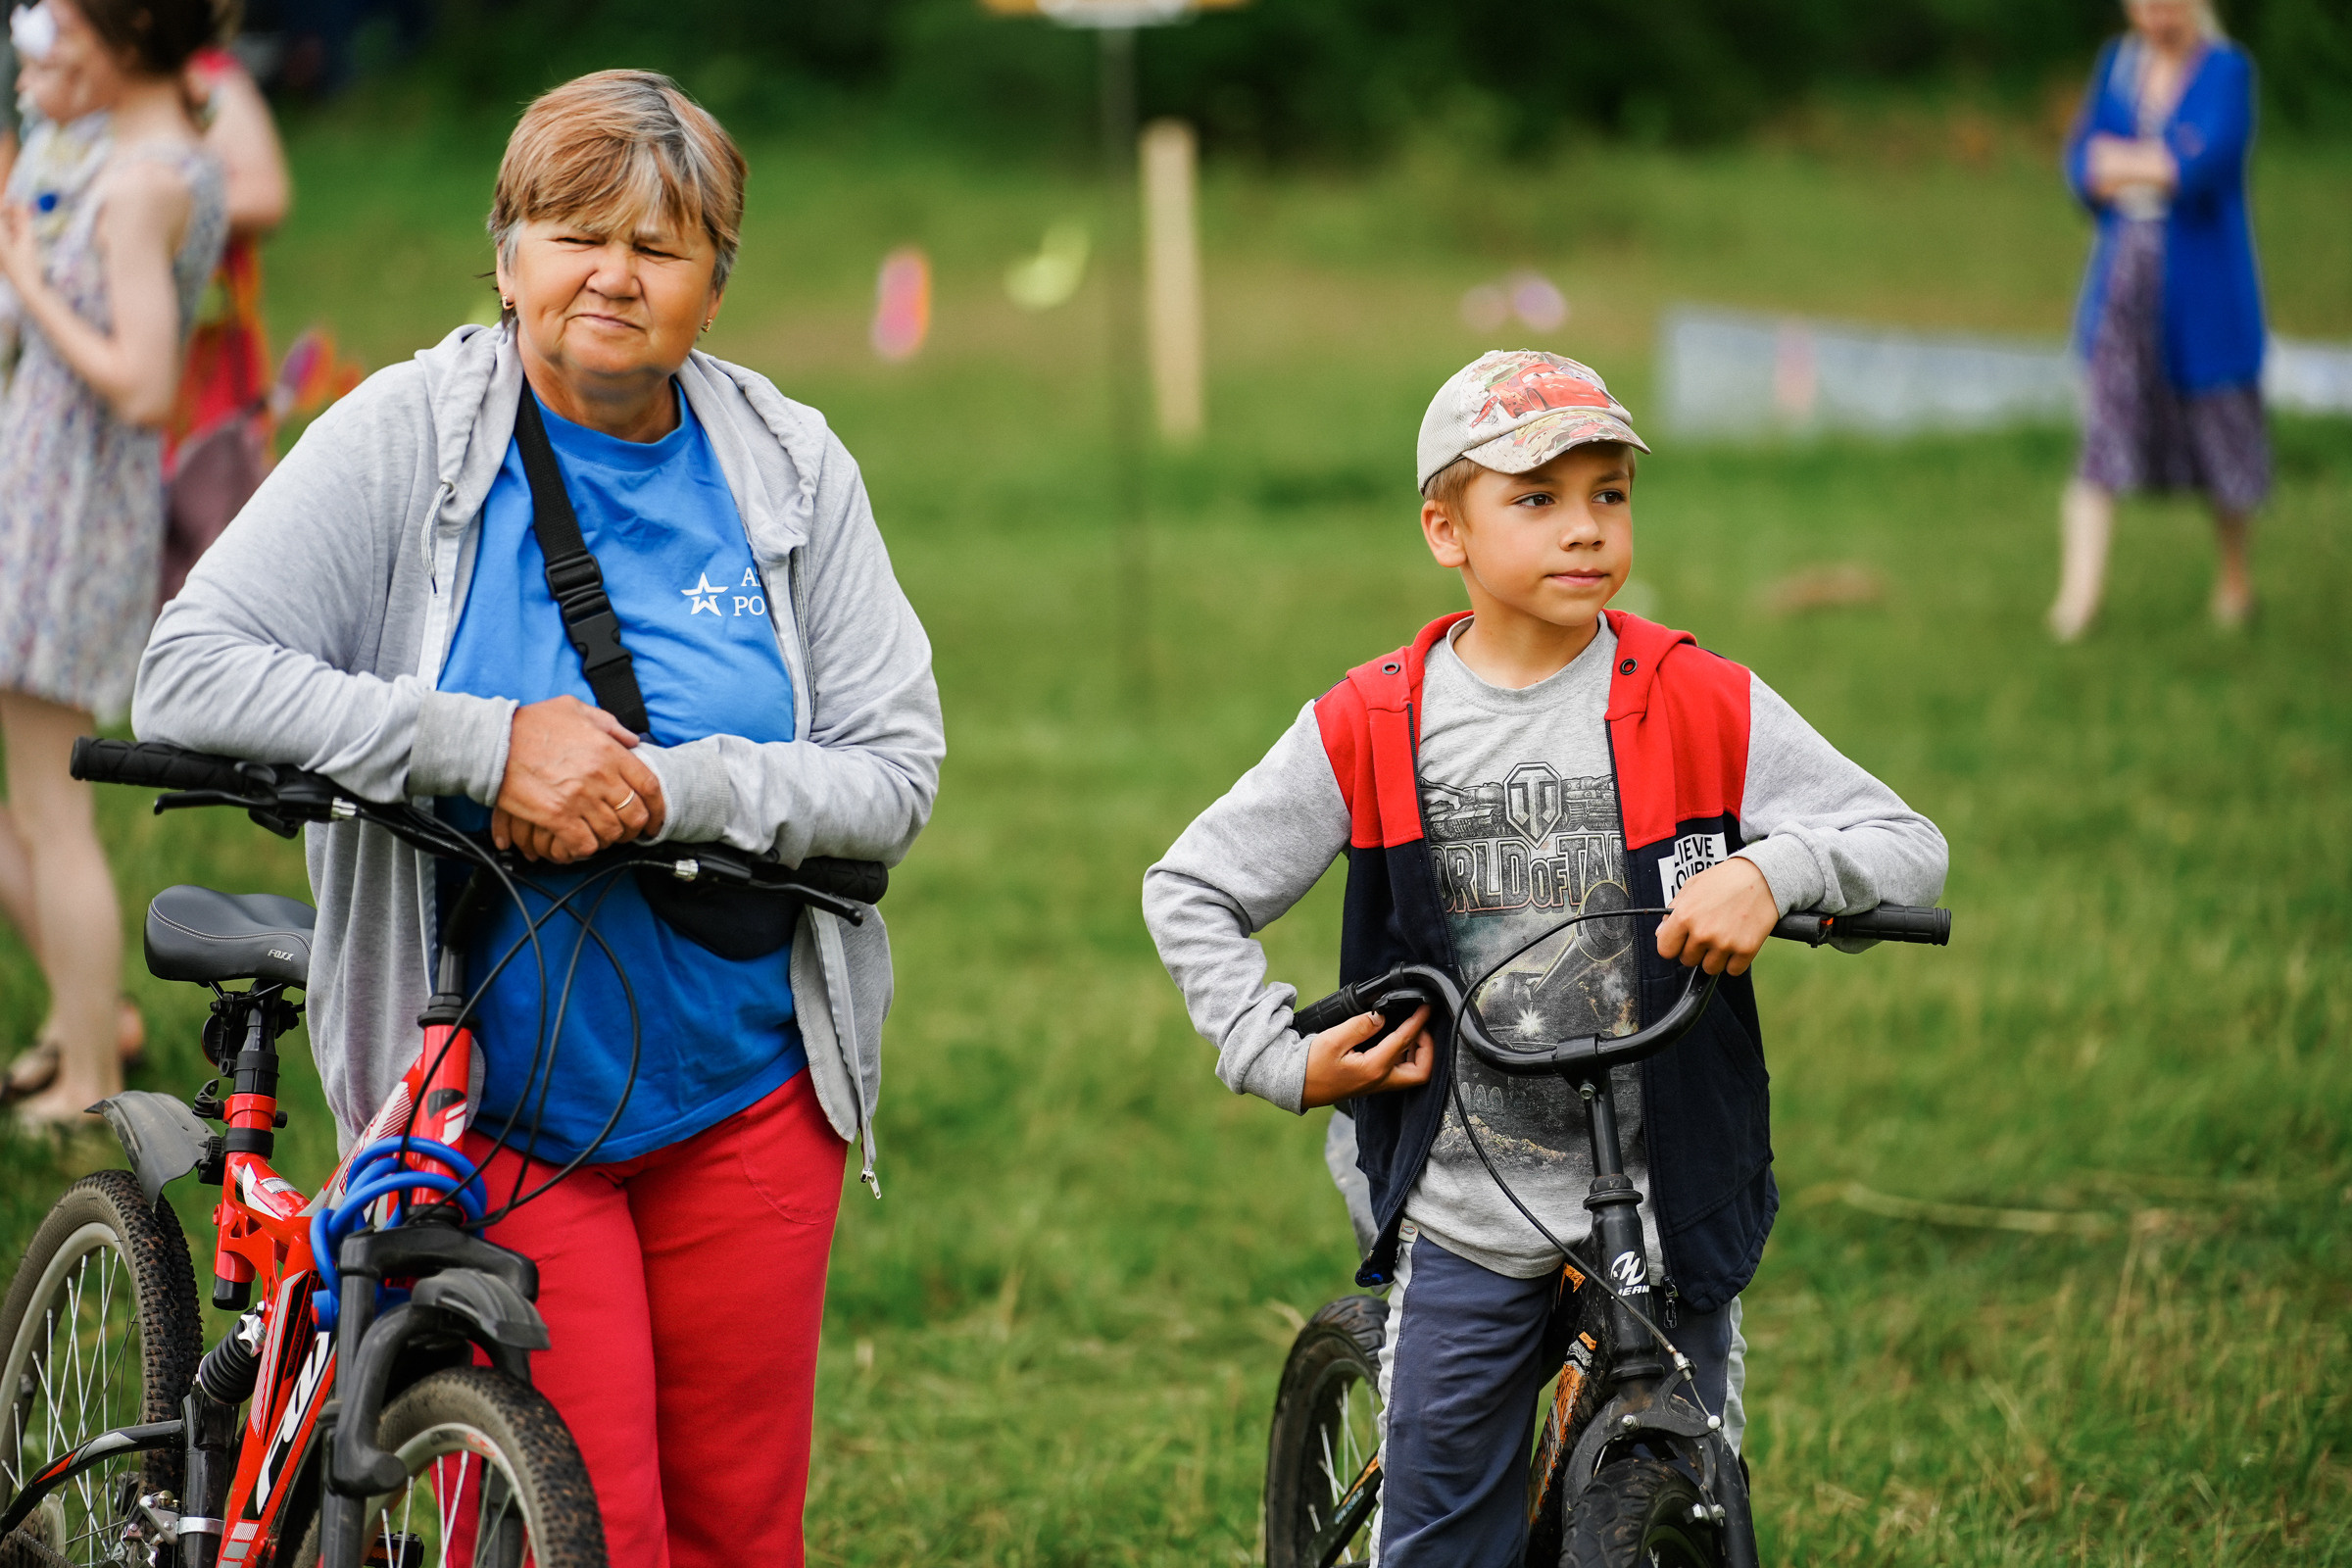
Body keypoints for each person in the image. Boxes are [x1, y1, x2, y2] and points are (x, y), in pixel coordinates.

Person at [133, 70, 943, 1566]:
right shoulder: (405, 440)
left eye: (661, 243)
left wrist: (663, 786)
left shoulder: (789, 466)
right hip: (489, 1088)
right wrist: (482, 746)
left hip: (748, 1085)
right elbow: (188, 669)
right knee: (587, 1528)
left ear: (716, 282)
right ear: (505, 254)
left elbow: (895, 770)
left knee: (738, 1533)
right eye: (572, 232)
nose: (613, 274)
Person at [1143, 351, 1947, 1565]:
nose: (1586, 528)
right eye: (1538, 498)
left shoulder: (1695, 698)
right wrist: (1273, 1052)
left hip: (1672, 1198)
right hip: (1469, 1204)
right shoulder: (1375, 721)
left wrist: (1771, 871)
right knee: (1447, 1535)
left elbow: (1908, 846)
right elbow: (1191, 886)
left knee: (1686, 1504)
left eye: (1610, 493)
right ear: (1444, 528)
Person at [0, 0, 227, 1126]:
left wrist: (31, 283)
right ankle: (71, 1026)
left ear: (118, 33)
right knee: (28, 808)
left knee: (49, 807)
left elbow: (144, 384)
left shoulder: (143, 181)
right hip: (52, 493)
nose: (44, 35)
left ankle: (93, 1076)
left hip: (71, 505)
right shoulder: (142, 153)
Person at [2050, 0, 2267, 641]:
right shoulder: (2117, 65)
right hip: (2123, 283)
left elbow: (2201, 163)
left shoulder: (2226, 71)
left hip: (2203, 293)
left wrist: (2132, 161)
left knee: (2222, 432)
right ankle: (2078, 597)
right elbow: (2081, 163)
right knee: (2101, 432)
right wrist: (2145, 162)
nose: (2154, 11)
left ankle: (2234, 580)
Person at [159, 40, 289, 600]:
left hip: (205, 352)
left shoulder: (212, 82)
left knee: (218, 517)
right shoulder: (70, 90)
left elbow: (267, 194)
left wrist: (163, 205)